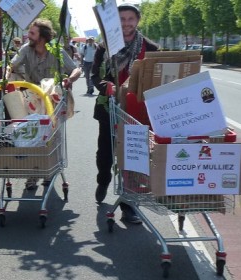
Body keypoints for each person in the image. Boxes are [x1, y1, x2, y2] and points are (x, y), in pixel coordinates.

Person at [91, 3, 159, 224]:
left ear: (137, 21)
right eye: (122, 19)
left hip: (137, 112)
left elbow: (157, 77)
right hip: (109, 108)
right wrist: (106, 86)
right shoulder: (106, 47)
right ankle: (103, 180)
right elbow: (95, 75)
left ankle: (129, 205)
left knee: (134, 156)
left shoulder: (150, 48)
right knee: (106, 152)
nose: (126, 23)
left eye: (131, 19)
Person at [5, 18, 82, 190]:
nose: (28, 36)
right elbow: (12, 64)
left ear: (43, 37)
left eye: (32, 33)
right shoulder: (26, 49)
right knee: (32, 135)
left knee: (52, 137)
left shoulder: (57, 51)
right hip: (33, 98)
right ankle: (32, 176)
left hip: (54, 99)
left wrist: (69, 80)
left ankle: (50, 171)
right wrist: (6, 74)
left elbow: (76, 69)